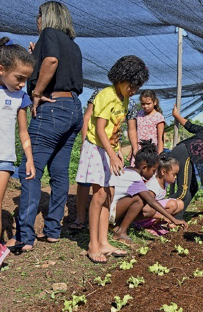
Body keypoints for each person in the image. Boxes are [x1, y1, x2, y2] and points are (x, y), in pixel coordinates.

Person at [6, 1, 83, 251]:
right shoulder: (72, 44)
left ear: (45, 17)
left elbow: (51, 61)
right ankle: (52, 230)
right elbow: (50, 61)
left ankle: (24, 237)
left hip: (53, 109)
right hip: (73, 109)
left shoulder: (49, 34)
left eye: (38, 16)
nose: (36, 20)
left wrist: (37, 93)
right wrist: (35, 53)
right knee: (60, 172)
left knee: (31, 169)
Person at [76, 55, 149, 264]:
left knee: (110, 194)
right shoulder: (106, 95)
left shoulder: (124, 98)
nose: (134, 90)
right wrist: (111, 153)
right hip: (96, 148)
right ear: (121, 77)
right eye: (132, 85)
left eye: (138, 87)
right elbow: (99, 129)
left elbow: (116, 128)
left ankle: (104, 241)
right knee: (99, 195)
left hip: (109, 149)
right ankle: (93, 245)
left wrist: (117, 150)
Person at [0, 37, 35, 269]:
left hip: (3, 158)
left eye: (26, 80)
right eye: (19, 78)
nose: (22, 84)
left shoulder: (20, 97)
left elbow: (23, 133)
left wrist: (29, 159)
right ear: (0, 69)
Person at [110, 141, 187, 243]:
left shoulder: (127, 169)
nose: (153, 174)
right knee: (140, 200)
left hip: (109, 210)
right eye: (153, 171)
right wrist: (174, 219)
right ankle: (121, 232)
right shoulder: (135, 178)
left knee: (141, 202)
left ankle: (117, 226)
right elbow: (152, 202)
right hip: (110, 213)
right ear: (144, 167)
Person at [69, 89, 100, 232]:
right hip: (92, 142)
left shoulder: (127, 100)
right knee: (84, 181)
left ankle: (99, 219)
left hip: (110, 146)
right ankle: (80, 218)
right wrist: (84, 142)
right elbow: (87, 117)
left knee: (101, 184)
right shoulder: (99, 93)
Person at [134, 152, 184, 235]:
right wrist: (163, 217)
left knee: (180, 203)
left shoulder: (164, 181)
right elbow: (144, 209)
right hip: (141, 218)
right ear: (163, 172)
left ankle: (155, 225)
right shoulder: (153, 186)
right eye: (174, 174)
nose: (175, 177)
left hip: (153, 213)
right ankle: (146, 226)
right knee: (172, 204)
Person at [128, 89, 165, 160]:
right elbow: (134, 134)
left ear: (155, 102)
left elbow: (160, 138)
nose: (146, 106)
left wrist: (160, 155)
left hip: (151, 152)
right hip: (138, 151)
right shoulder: (139, 115)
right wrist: (132, 151)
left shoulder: (158, 117)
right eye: (143, 104)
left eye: (148, 104)